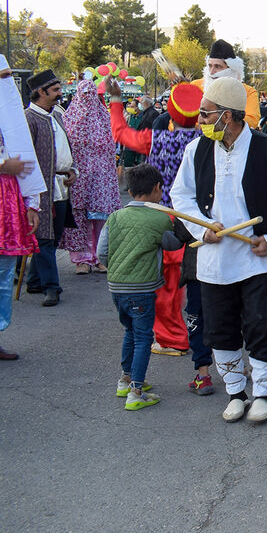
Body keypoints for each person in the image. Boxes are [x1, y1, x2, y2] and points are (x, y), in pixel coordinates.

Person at [169, 77, 267, 424]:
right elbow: (181, 197)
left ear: (228, 117)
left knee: (263, 325)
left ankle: (262, 392)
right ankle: (235, 391)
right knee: (220, 327)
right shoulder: (196, 150)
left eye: (206, 114)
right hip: (215, 259)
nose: (200, 120)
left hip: (260, 258)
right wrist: (202, 228)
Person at [106, 79, 212, 384]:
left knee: (166, 285)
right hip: (198, 221)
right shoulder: (207, 142)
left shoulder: (156, 140)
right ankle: (198, 333)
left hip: (162, 218)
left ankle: (173, 338)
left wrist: (115, 101)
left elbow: (120, 133)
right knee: (194, 282)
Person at [99, 164, 185, 411]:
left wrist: (118, 269)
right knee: (144, 338)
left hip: (116, 287)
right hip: (143, 288)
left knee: (130, 331)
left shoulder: (114, 216)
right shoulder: (160, 217)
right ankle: (136, 390)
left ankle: (125, 379)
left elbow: (101, 252)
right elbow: (171, 245)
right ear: (157, 188)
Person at [0, 59, 42, 359]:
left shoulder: (9, 117)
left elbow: (24, 160)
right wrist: (4, 167)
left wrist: (31, 203)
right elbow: (13, 164)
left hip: (9, 207)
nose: (6, 83)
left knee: (4, 276)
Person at [24, 70, 76, 307]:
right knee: (44, 238)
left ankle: (35, 280)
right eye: (55, 90)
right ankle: (51, 287)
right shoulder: (28, 118)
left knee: (52, 238)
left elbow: (64, 151)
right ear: (41, 92)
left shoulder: (56, 115)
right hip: (40, 189)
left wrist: (72, 171)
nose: (59, 94)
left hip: (60, 186)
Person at [60, 79, 121, 275]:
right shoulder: (69, 118)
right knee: (79, 221)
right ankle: (81, 259)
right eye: (83, 94)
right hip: (79, 178)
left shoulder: (104, 117)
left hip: (101, 179)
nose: (87, 99)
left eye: (90, 94)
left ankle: (100, 257)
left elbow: (112, 144)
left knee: (100, 220)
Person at [194, 39, 261, 128]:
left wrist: (216, 124)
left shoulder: (248, 92)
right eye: (210, 66)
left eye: (218, 66)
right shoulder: (195, 86)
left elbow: (252, 121)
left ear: (231, 70)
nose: (212, 72)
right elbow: (179, 120)